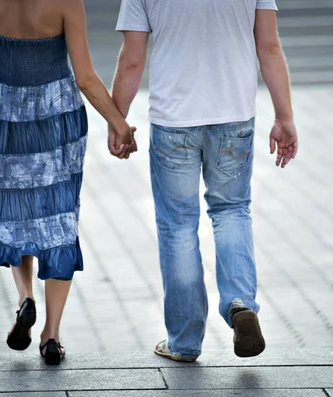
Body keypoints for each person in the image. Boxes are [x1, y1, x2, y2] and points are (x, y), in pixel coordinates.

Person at [111, 0, 298, 362]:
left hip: (174, 120)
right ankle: (240, 303)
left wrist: (118, 120)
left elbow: (132, 59)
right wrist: (284, 115)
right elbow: (269, 47)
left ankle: (184, 342)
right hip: (234, 116)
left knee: (178, 225)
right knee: (231, 211)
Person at [0, 0, 135, 365]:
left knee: (15, 213)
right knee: (57, 217)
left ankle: (25, 298)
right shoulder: (67, 2)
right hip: (55, 117)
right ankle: (51, 335)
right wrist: (118, 122)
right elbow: (85, 76)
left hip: (2, 114)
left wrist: (8, 48)